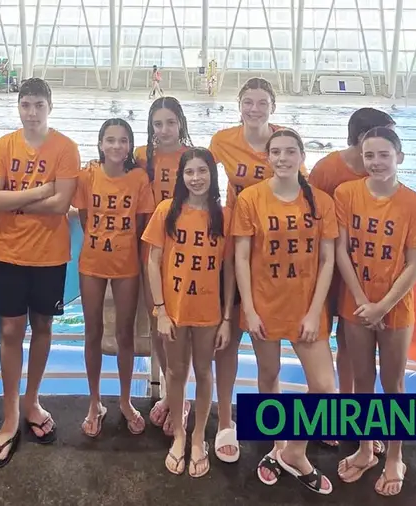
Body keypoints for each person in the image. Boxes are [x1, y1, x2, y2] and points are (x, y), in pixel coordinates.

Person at [233, 128, 338, 495]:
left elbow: (328, 261)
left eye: (290, 151)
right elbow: (242, 257)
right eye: (275, 152)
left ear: (301, 156)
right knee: (269, 375)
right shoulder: (250, 199)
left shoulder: (321, 202)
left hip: (306, 309)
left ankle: (294, 451)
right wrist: (249, 307)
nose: (282, 158)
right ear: (267, 157)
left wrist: (313, 312)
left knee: (325, 387)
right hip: (264, 304)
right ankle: (276, 447)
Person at [0, 78, 79, 468]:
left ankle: (32, 401)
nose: (32, 112)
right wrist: (41, 191)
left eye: (39, 105)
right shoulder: (3, 146)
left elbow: (62, 207)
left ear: (50, 107)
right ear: (18, 108)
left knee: (43, 328)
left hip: (49, 257)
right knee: (9, 332)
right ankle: (8, 417)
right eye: (26, 105)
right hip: (9, 255)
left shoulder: (66, 148)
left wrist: (14, 202)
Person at [208, 76, 306, 462]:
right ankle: (227, 420)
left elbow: (301, 188)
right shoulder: (222, 141)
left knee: (272, 356)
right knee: (227, 335)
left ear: (273, 106)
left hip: (275, 255)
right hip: (235, 246)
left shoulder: (283, 142)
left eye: (261, 102)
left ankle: (271, 424)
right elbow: (193, 169)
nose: (254, 108)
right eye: (248, 101)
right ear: (239, 103)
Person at [333, 127, 416, 497]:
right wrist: (363, 302)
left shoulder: (415, 204)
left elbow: (414, 265)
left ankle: (395, 455)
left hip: (395, 307)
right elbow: (341, 251)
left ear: (399, 158)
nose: (375, 162)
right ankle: (365, 448)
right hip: (355, 304)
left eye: (384, 155)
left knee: (393, 385)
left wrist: (382, 306)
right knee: (361, 380)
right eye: (369, 155)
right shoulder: (347, 194)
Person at [142, 148, 235, 478]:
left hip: (208, 311)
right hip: (175, 312)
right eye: (190, 172)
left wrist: (226, 318)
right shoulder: (167, 211)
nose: (196, 178)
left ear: (213, 175)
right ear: (181, 177)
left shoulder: (221, 215)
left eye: (202, 171)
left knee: (204, 372)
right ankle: (179, 436)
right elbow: (153, 261)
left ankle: (198, 438)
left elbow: (228, 270)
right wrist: (161, 310)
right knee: (176, 373)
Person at [308, 107, 394, 455]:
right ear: (361, 139)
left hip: (364, 274)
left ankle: (353, 415)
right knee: (318, 342)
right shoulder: (328, 170)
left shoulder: (383, 170)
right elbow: (308, 216)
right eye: (383, 134)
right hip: (327, 269)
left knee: (351, 346)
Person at [74, 118, 155, 438]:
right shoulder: (87, 176)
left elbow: (140, 224)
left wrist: (122, 251)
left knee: (125, 335)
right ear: (100, 144)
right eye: (110, 140)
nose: (117, 146)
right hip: (92, 264)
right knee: (92, 332)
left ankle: (124, 400)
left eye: (123, 140)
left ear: (130, 145)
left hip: (127, 266)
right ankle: (94, 402)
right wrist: (99, 243)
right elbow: (83, 217)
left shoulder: (138, 179)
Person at [134, 96, 194, 438]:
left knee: (182, 329)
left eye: (170, 122)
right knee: (160, 325)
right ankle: (172, 396)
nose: (164, 130)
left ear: (181, 123)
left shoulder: (194, 156)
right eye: (158, 124)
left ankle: (180, 399)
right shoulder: (144, 157)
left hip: (186, 255)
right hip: (151, 252)